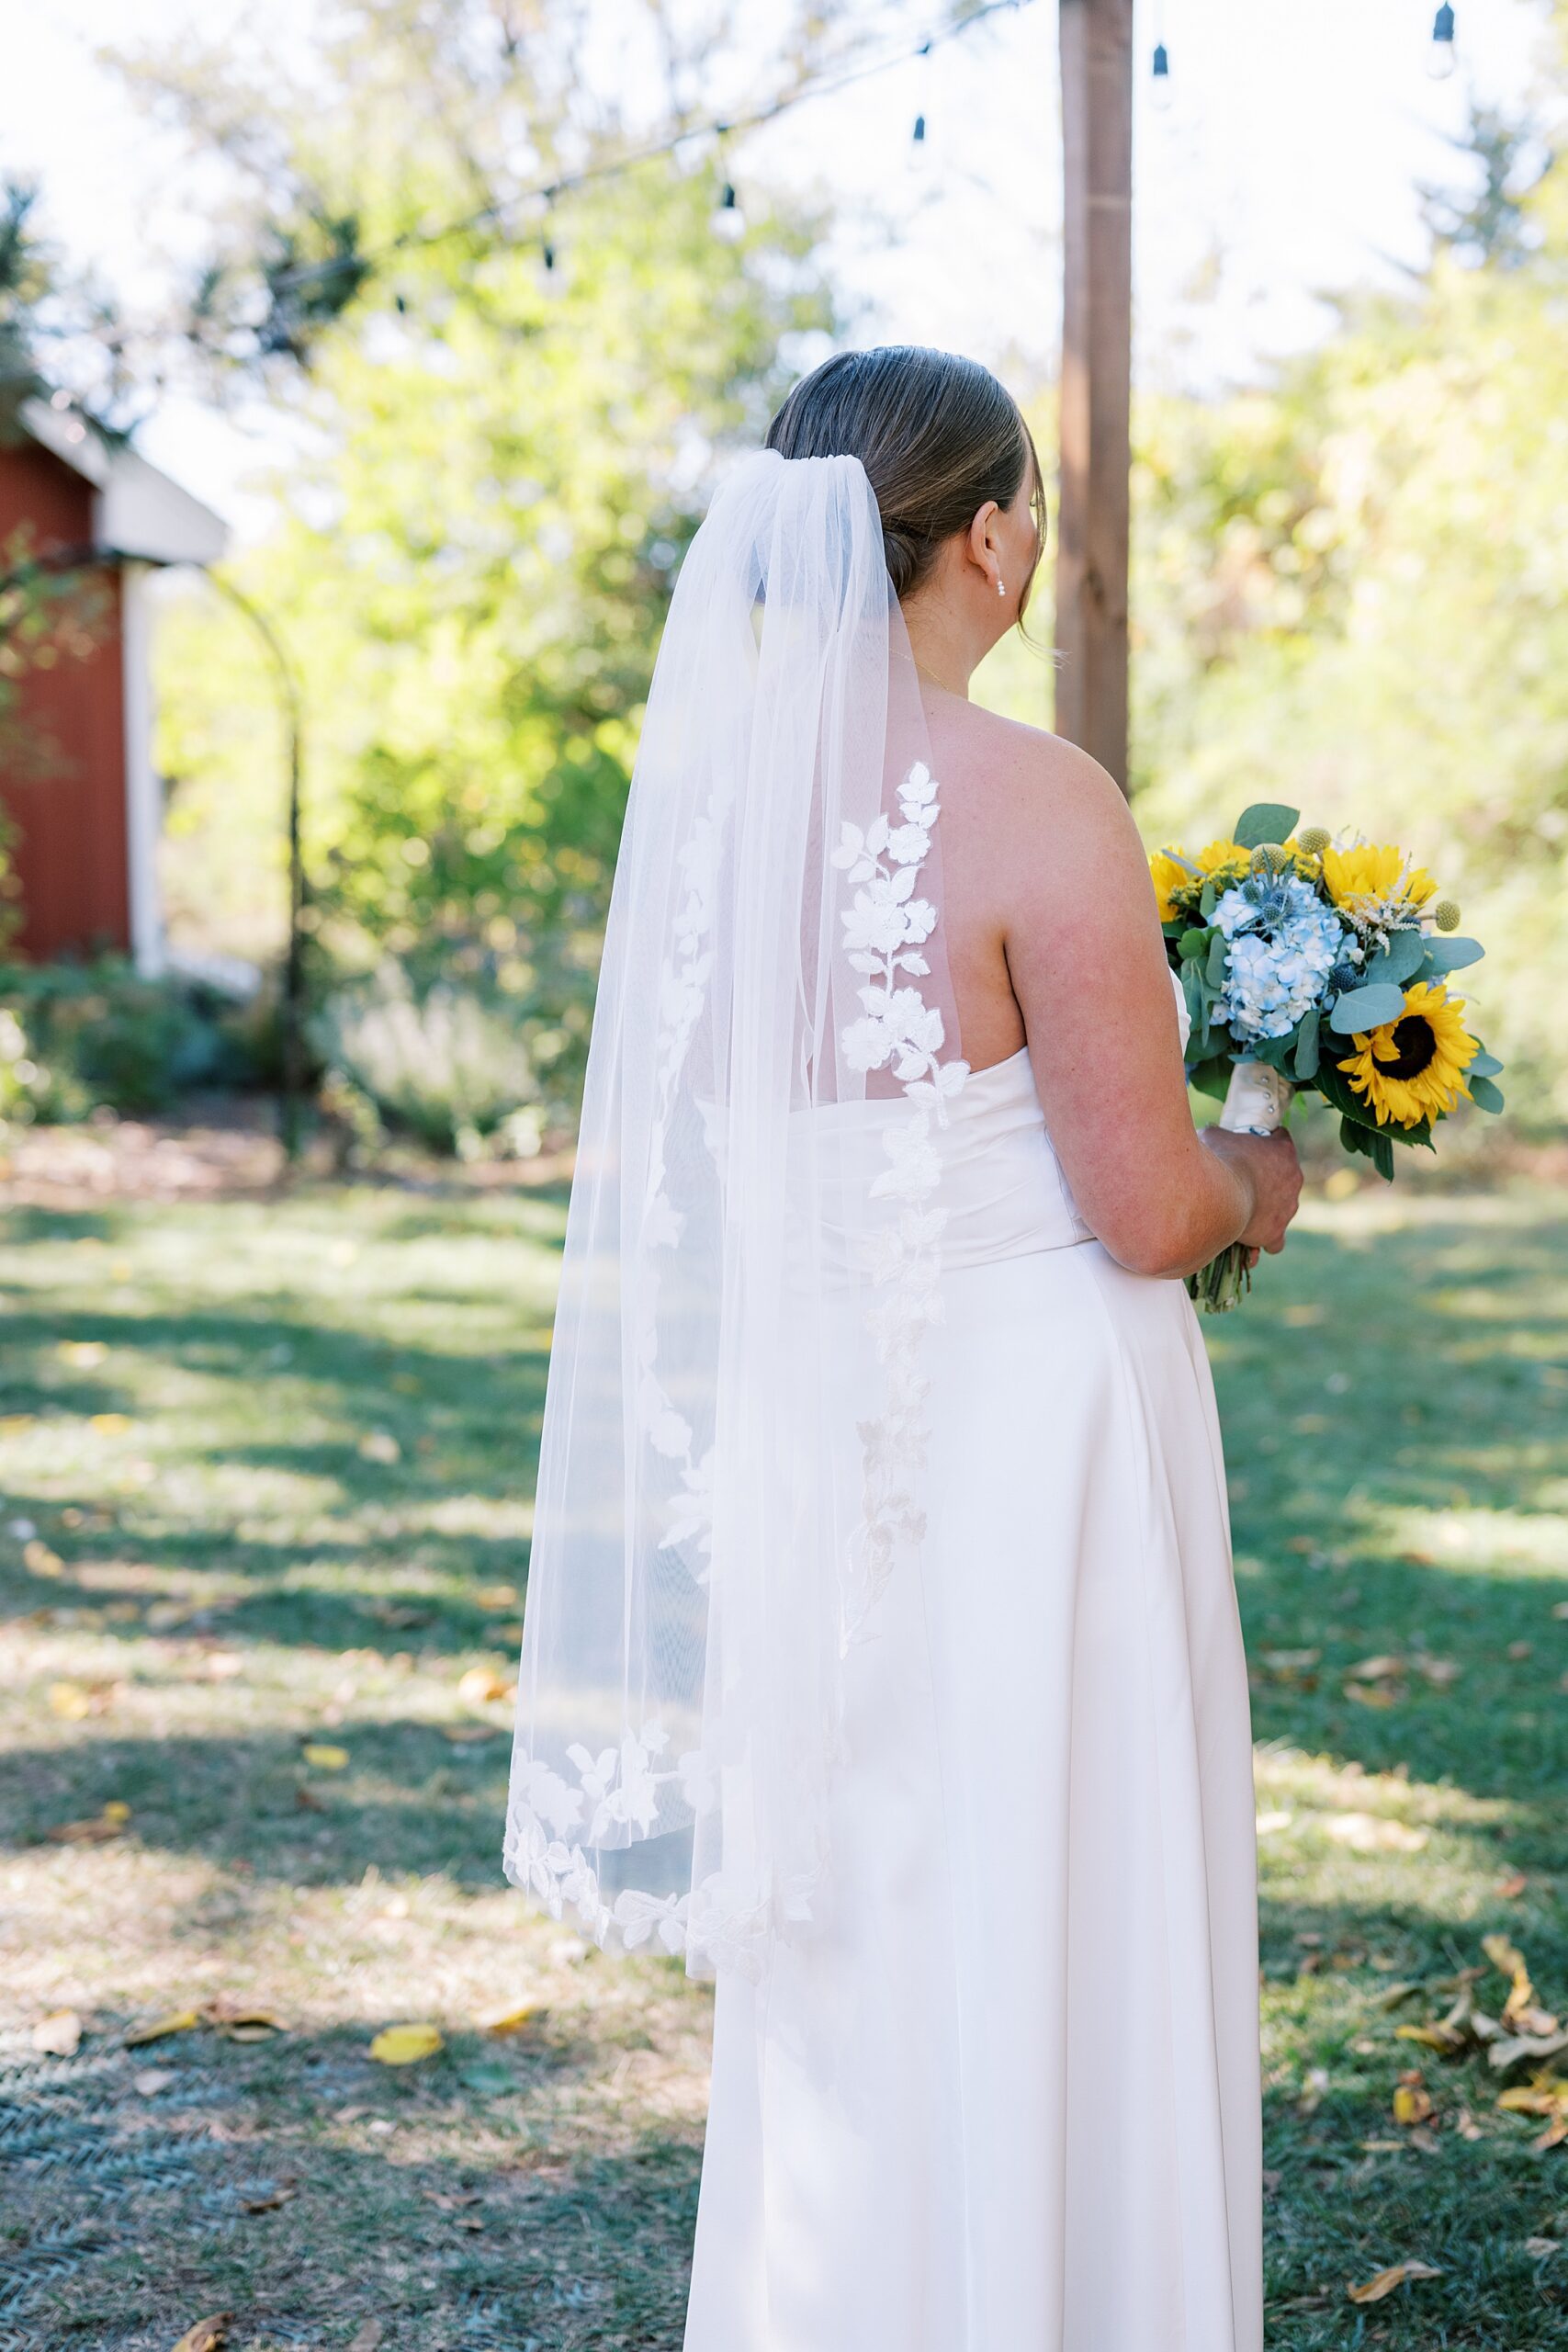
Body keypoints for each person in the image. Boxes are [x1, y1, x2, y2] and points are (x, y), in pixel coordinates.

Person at [506, 345, 1301, 2352]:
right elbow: (1141, 1206)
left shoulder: (708, 812)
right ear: (987, 535)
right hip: (1037, 1444)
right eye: (1023, 507)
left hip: (822, 1444)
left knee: (868, 1920)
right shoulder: (1035, 796)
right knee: (1061, 1896)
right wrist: (1266, 1166)